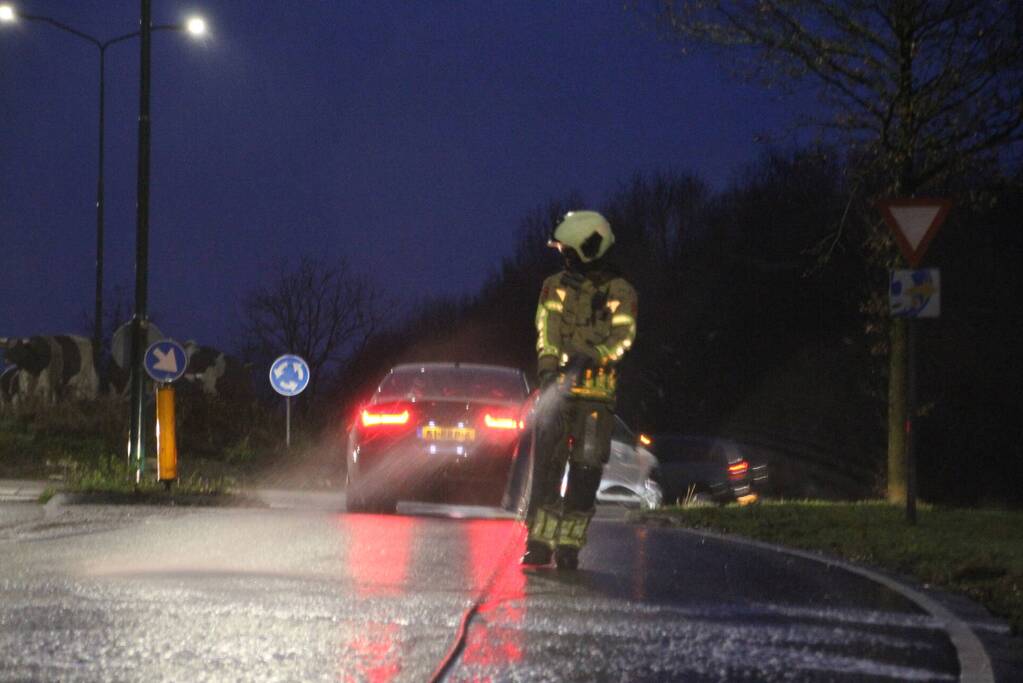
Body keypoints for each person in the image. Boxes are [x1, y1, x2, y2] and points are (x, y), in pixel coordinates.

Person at [522, 210, 638, 569]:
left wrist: (596, 356)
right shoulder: (554, 285)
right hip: (557, 389)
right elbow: (548, 331)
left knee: (587, 470)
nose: (565, 257)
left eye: (569, 250)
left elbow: (624, 337)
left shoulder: (620, 291)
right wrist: (548, 373)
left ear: (588, 248)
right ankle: (539, 543)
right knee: (547, 468)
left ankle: (570, 546)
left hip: (597, 396)